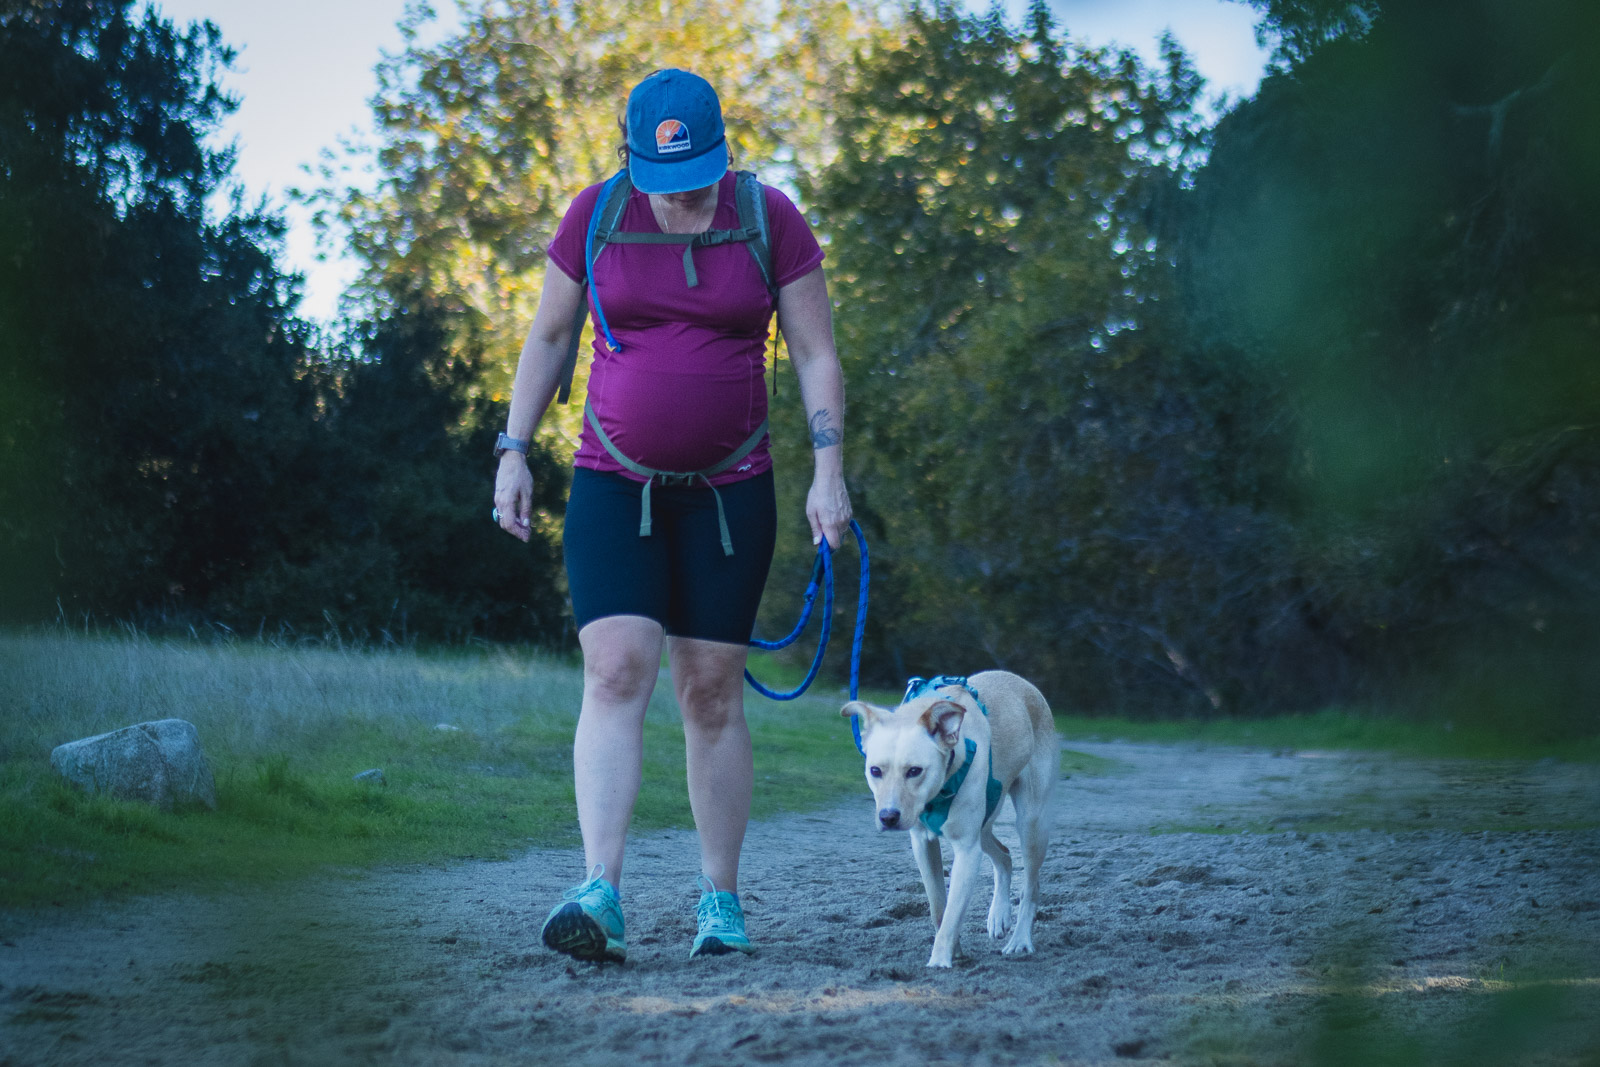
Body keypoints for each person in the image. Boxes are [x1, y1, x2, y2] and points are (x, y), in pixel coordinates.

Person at [491, 68, 851, 962]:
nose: (681, 193)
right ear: (630, 157)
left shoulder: (770, 220)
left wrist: (828, 469)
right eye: (663, 177)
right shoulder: (597, 215)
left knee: (711, 690)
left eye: (696, 174)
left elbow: (814, 352)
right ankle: (599, 891)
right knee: (615, 670)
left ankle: (719, 901)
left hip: (733, 493)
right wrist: (512, 448)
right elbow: (547, 336)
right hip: (614, 480)